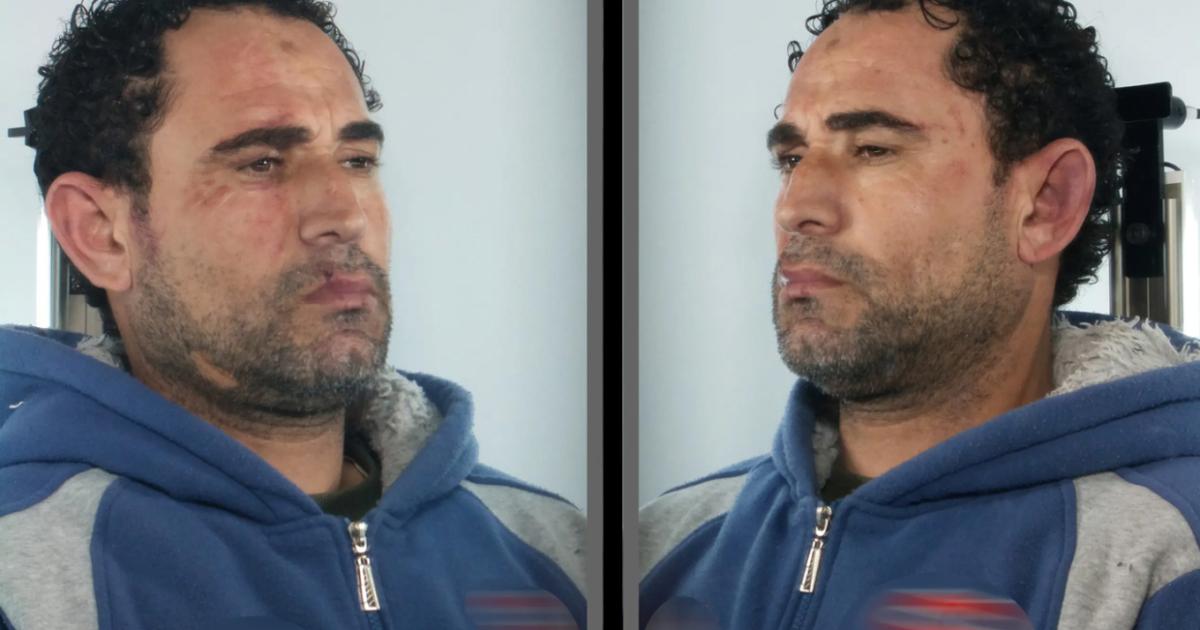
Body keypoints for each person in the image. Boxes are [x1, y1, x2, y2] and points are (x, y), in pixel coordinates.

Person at [0, 1, 584, 629]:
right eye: (262, 163)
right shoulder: (22, 583)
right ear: (100, 234)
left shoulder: (557, 550)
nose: (345, 214)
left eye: (357, 160)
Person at [639, 1, 1200, 628]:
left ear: (1046, 204)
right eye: (792, 159)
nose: (795, 207)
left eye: (872, 149)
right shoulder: (661, 545)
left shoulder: (1172, 562)